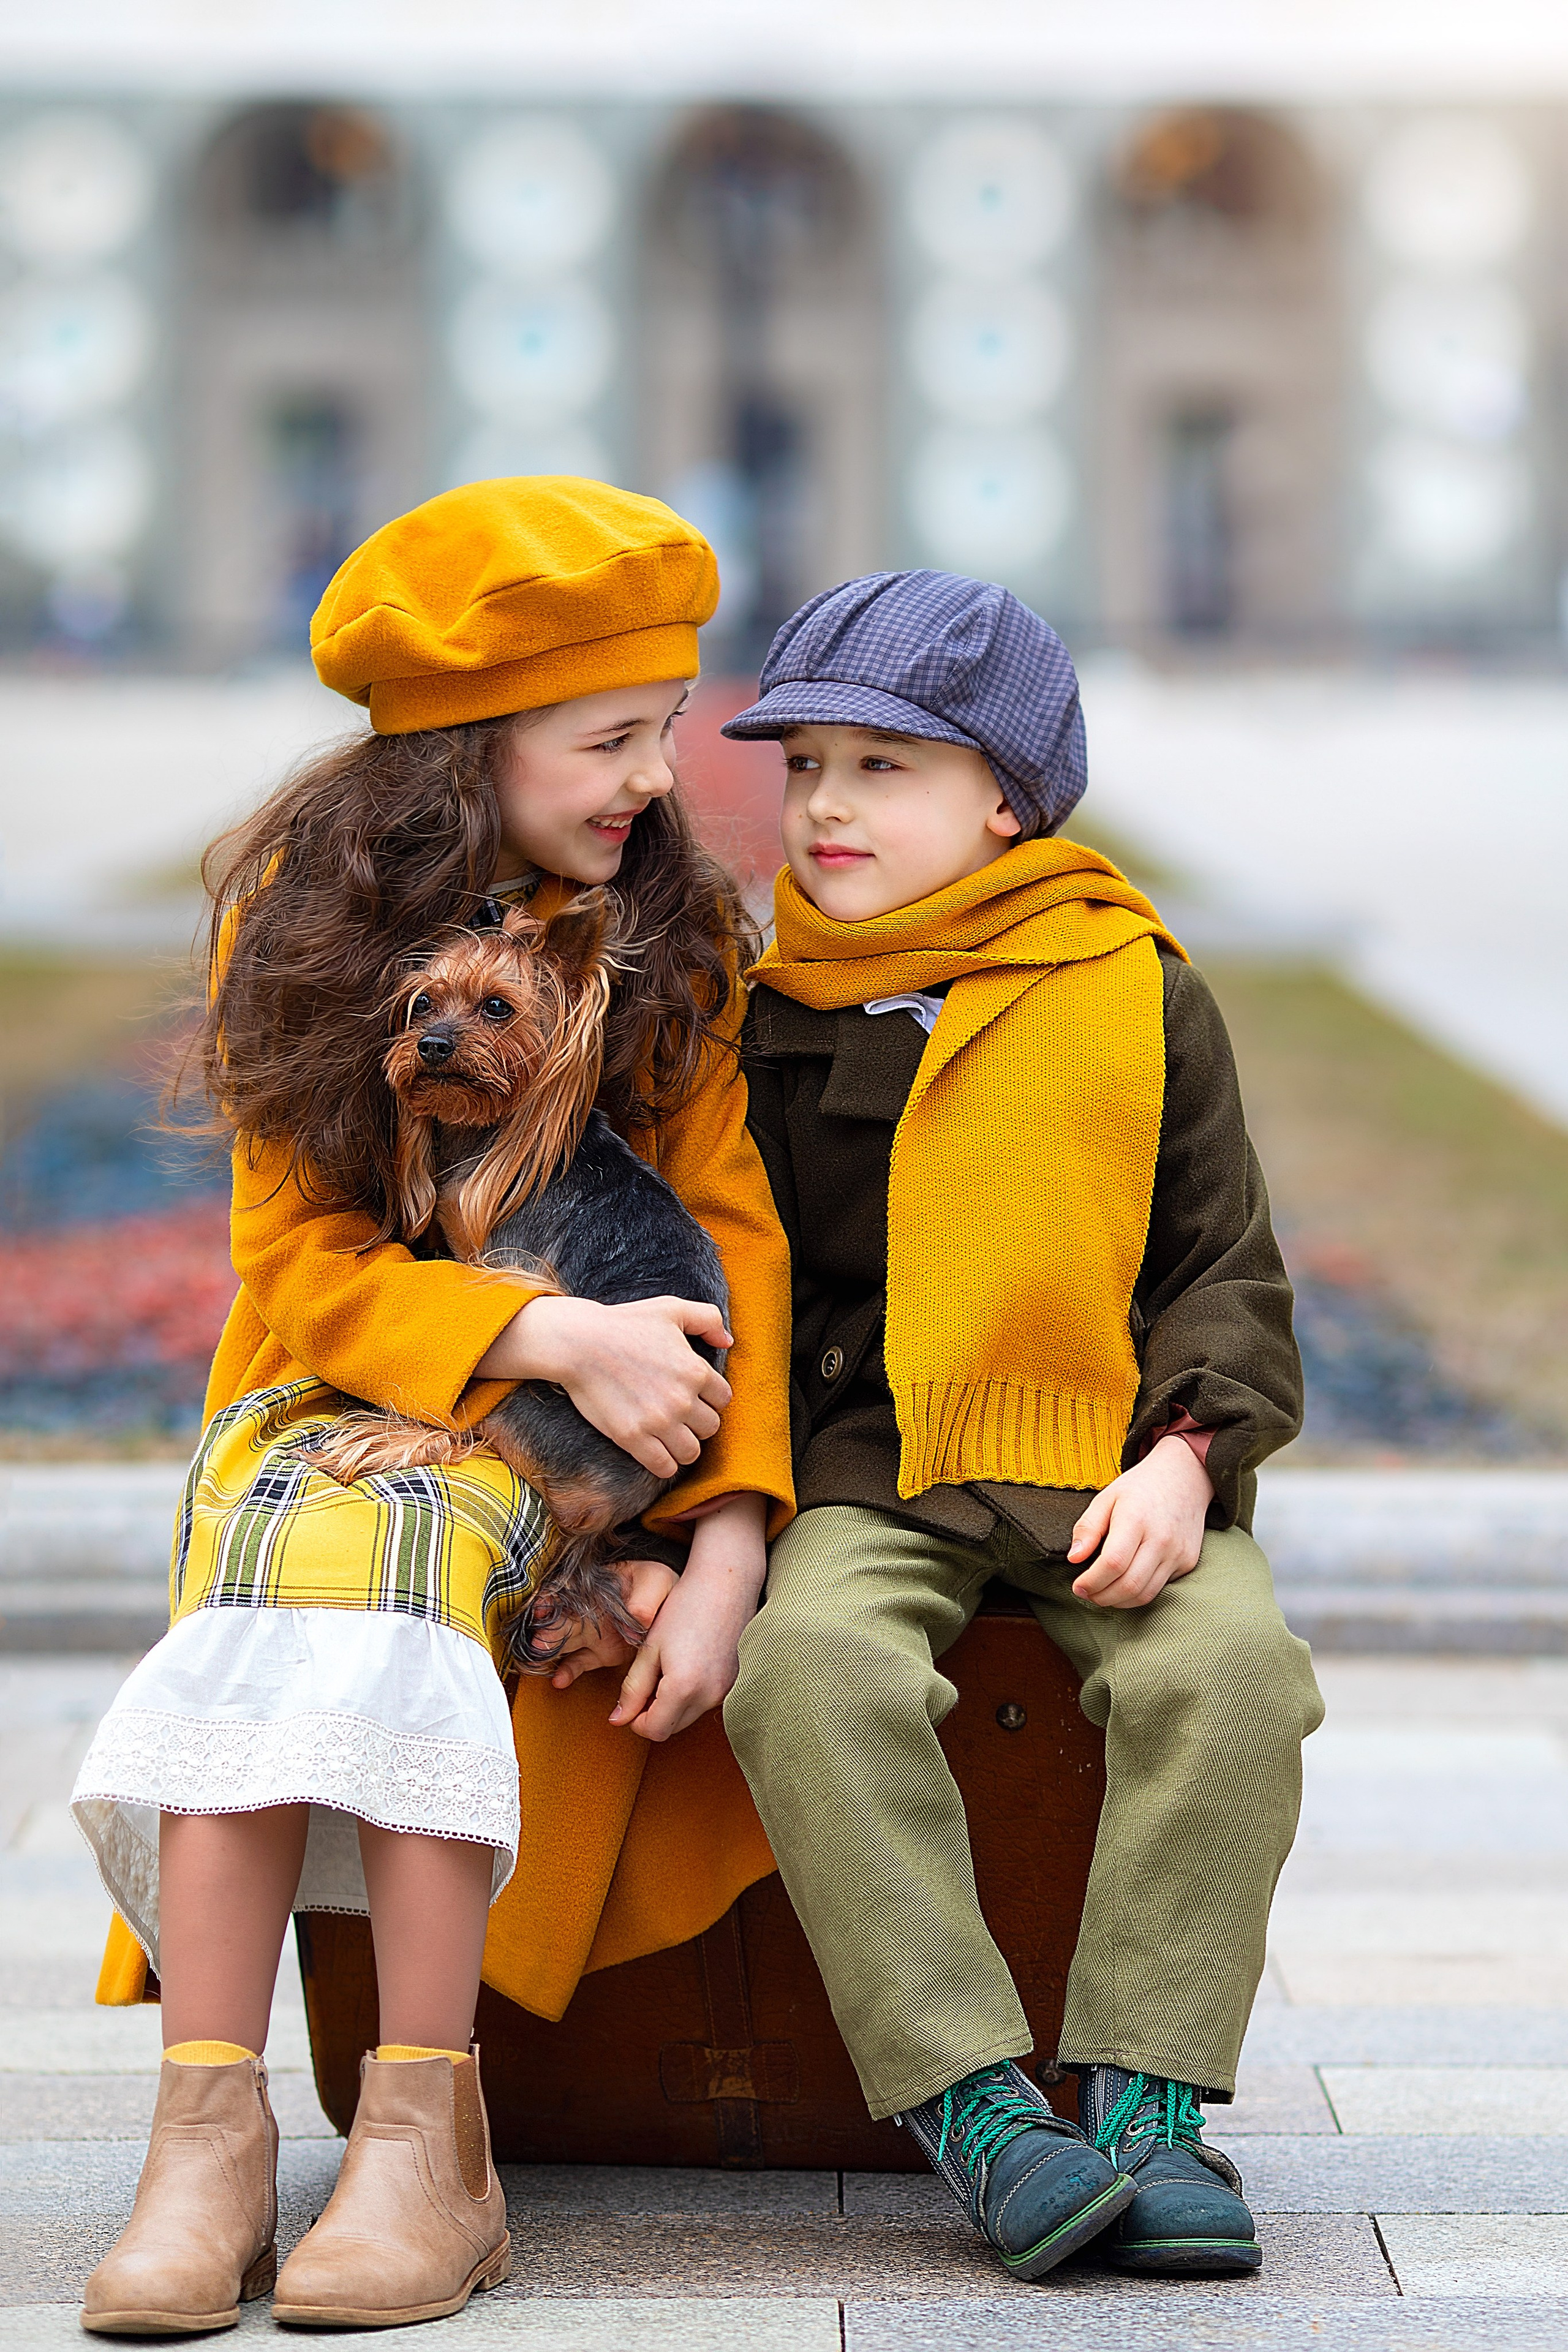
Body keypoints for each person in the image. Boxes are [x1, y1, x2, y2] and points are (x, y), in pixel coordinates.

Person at [71, 478, 793, 2335]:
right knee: (296, 1544)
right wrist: (548, 1340)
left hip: (596, 1460)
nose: (659, 773)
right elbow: (295, 1269)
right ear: (469, 751)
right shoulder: (302, 943)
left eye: (669, 728)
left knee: (387, 1549)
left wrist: (723, 1549)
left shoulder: (672, 941)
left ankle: (425, 2143)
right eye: (612, 738)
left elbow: (735, 1242)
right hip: (353, 1383)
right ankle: (205, 2141)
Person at [723, 569, 1323, 2283]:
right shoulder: (765, 1012)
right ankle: (979, 2106)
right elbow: (739, 1269)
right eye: (807, 764)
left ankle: (1147, 2103)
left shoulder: (1135, 986)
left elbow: (1224, 1265)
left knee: (1229, 1670)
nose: (828, 806)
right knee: (813, 1669)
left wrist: (1187, 1458)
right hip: (873, 1461)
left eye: (884, 767)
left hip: (1104, 1456)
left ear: (1006, 796)